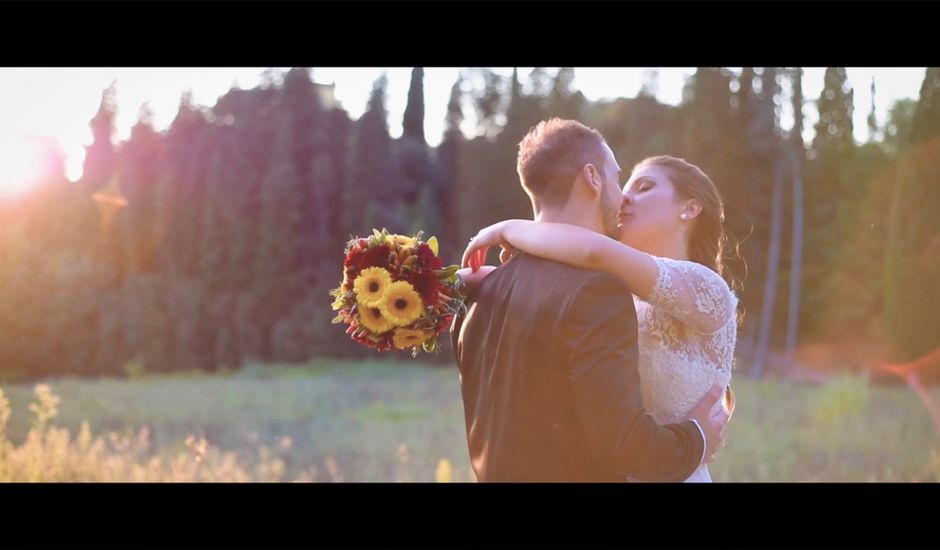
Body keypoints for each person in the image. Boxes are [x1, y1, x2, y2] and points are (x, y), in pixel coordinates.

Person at [450, 118, 729, 482]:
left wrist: (507, 230)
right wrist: (697, 439)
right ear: (592, 179)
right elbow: (624, 445)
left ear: (690, 208)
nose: (625, 197)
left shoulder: (480, 295)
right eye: (619, 179)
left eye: (643, 187)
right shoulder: (599, 293)